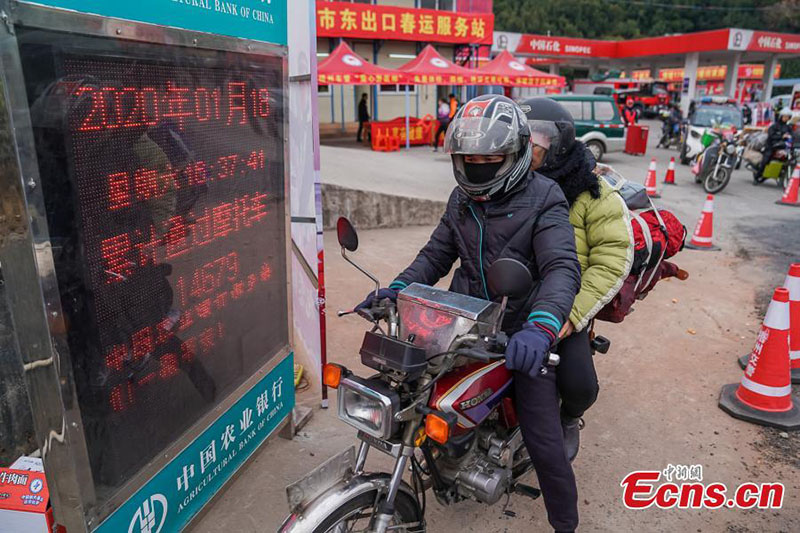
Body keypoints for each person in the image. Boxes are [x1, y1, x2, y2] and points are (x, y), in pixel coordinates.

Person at [356, 94, 582, 532]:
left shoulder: (545, 196)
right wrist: (397, 290)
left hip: (519, 334)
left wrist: (540, 327)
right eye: (468, 157)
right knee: (412, 394)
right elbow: (435, 255)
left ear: (515, 155)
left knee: (545, 443)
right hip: (463, 323)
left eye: (490, 157)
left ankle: (566, 524)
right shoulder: (461, 199)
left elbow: (560, 268)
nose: (477, 164)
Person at [522, 97, 634, 462]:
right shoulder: (509, 181)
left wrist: (571, 317)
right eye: (522, 138)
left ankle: (569, 417)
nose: (529, 148)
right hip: (510, 294)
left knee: (578, 384)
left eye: (538, 139)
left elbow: (611, 260)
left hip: (565, 301)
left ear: (560, 143)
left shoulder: (592, 191)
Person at [757, 107, 794, 177]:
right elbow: (771, 135)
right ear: (781, 116)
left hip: (783, 146)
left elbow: (793, 135)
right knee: (766, 160)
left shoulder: (788, 127)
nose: (786, 118)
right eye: (785, 116)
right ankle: (757, 176)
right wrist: (782, 136)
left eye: (788, 117)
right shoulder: (774, 126)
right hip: (771, 146)